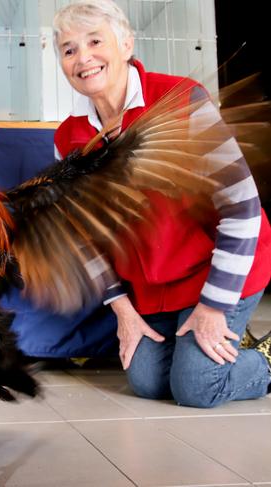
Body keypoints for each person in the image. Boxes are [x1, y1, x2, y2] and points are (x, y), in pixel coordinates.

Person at [52, 0, 271, 407]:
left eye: (95, 40)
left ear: (126, 43)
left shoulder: (182, 98)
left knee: (196, 387)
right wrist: (122, 310)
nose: (83, 57)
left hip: (220, 268)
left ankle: (264, 359)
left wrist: (213, 307)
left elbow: (241, 207)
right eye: (69, 49)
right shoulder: (69, 138)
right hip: (154, 286)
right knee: (148, 380)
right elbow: (85, 236)